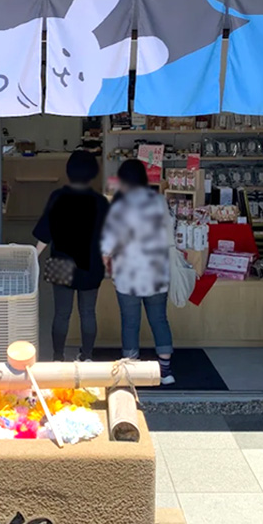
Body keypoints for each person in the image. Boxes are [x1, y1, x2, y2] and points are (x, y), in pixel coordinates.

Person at [101, 159, 176, 385]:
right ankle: (165, 372)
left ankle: (132, 373)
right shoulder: (159, 201)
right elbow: (169, 230)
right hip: (156, 273)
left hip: (128, 275)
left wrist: (107, 264)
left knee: (130, 322)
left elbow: (108, 244)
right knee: (159, 320)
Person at [33, 150, 109, 362]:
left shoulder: (58, 197)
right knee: (88, 313)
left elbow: (45, 233)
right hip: (91, 262)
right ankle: (87, 356)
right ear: (93, 172)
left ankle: (58, 357)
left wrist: (32, 258)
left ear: (69, 171)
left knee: (61, 313)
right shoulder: (100, 201)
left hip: (61, 262)